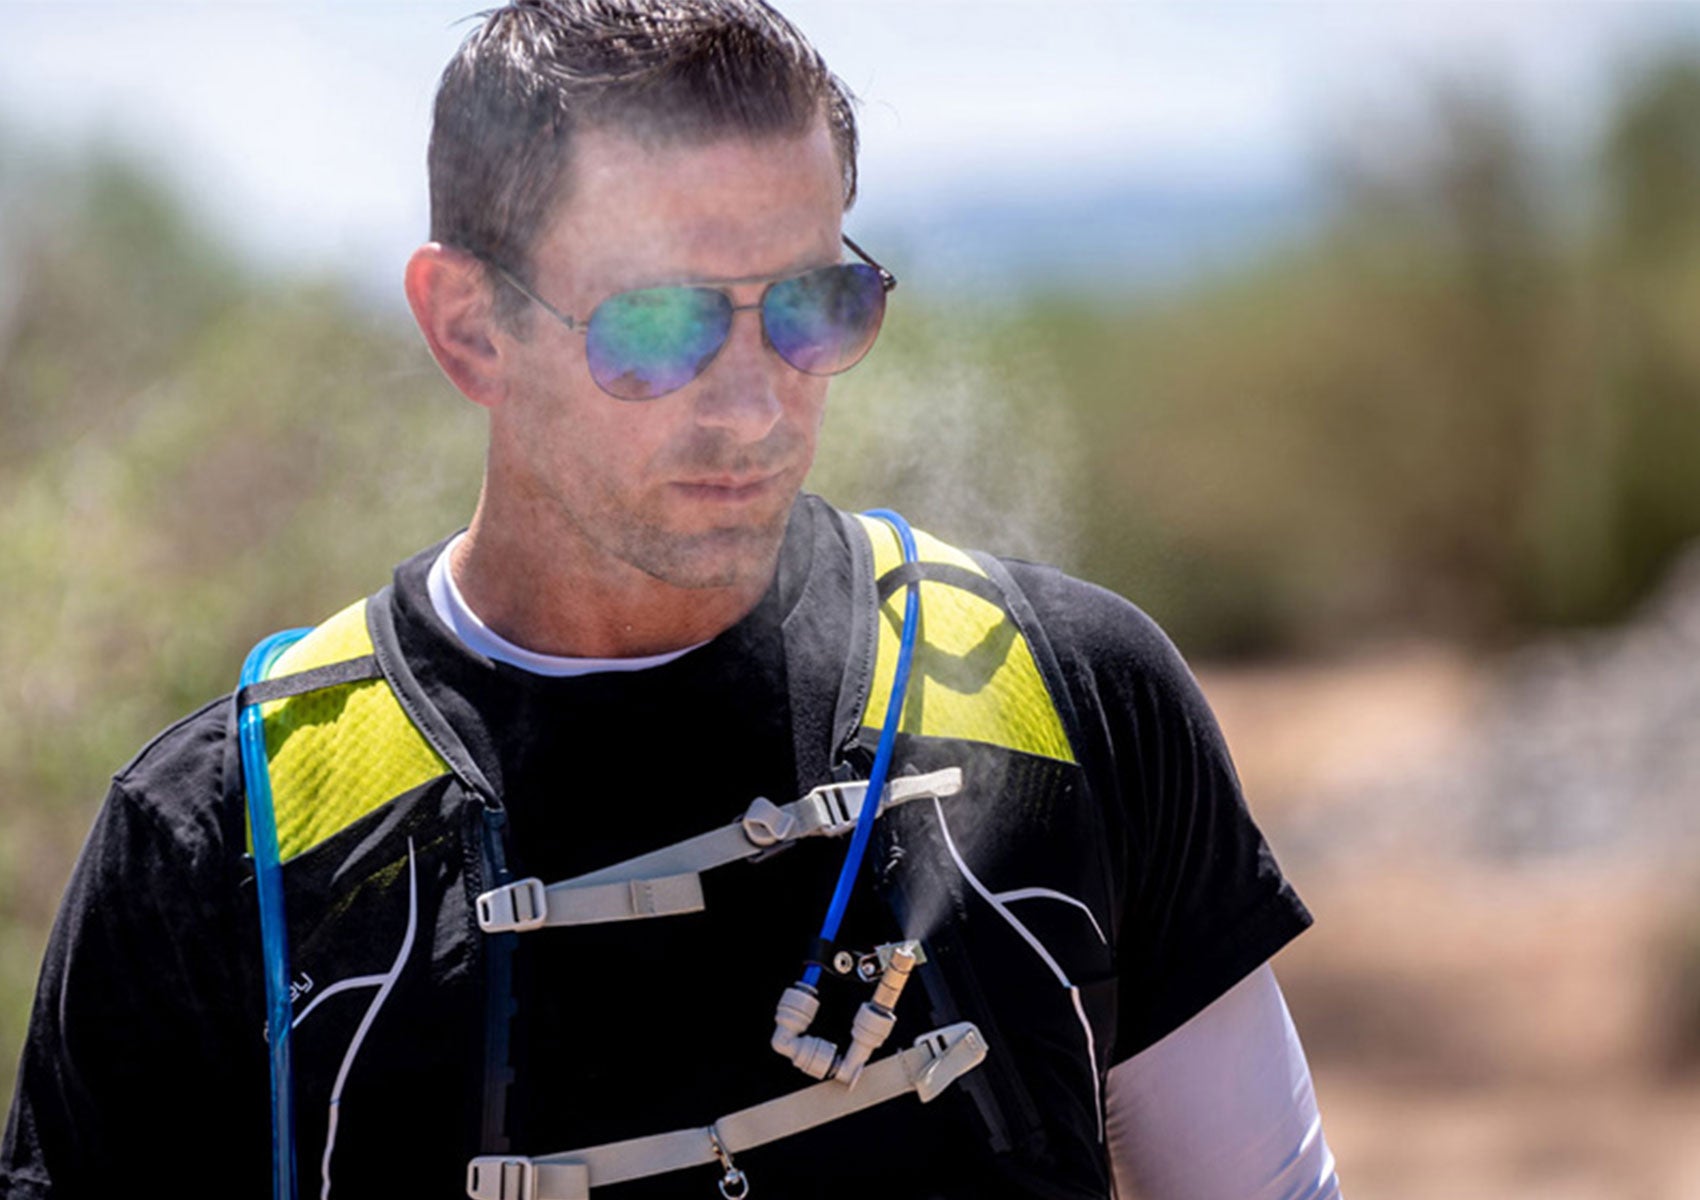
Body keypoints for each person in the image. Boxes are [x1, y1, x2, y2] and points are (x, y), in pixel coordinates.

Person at [2, 3, 1341, 1198]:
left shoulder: (1072, 692)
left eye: (815, 306)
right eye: (659, 325)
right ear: (467, 325)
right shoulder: (217, 841)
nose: (759, 402)